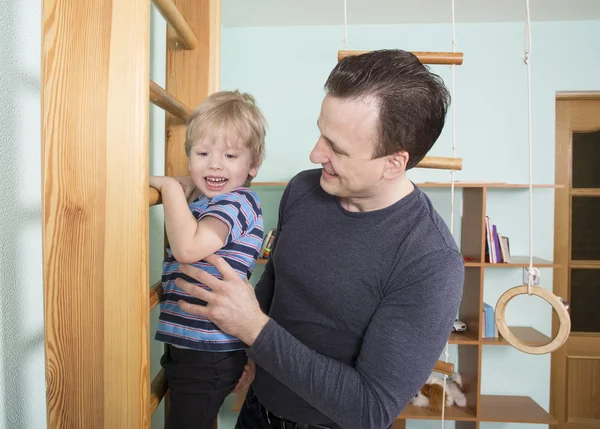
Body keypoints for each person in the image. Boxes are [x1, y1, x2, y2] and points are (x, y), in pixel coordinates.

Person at [173, 50, 465, 429]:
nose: (314, 153)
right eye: (321, 133)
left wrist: (254, 330)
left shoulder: (431, 261)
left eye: (337, 148)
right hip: (255, 411)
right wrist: (242, 352)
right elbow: (277, 280)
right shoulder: (304, 190)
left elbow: (371, 409)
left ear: (394, 162)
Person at [150, 90, 267, 429]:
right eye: (203, 153)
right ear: (190, 157)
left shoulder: (238, 202)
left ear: (253, 164)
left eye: (230, 155)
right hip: (193, 347)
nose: (215, 164)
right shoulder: (208, 202)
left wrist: (171, 188)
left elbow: (187, 248)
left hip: (208, 354)